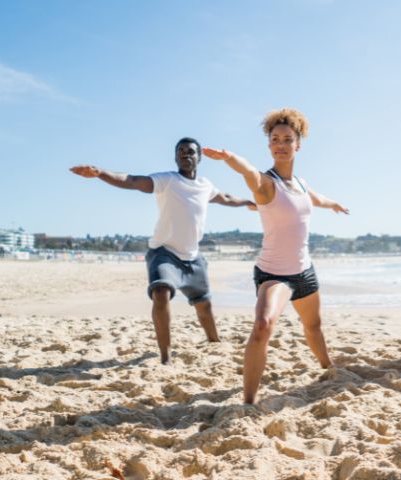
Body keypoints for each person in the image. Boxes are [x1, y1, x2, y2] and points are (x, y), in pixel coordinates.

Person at [202, 108, 349, 405]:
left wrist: (333, 204)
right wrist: (229, 157)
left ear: (298, 145)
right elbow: (247, 171)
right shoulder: (267, 184)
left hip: (304, 270)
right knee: (263, 326)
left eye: (287, 139)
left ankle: (328, 368)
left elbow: (315, 198)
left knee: (314, 327)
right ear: (269, 145)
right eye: (275, 139)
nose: (281, 144)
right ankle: (249, 401)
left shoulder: (302, 184)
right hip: (274, 274)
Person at [69, 137, 256, 365]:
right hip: (164, 253)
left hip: (193, 257)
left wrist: (248, 201)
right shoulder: (167, 180)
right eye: (181, 151)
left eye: (191, 152)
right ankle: (166, 357)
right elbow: (133, 181)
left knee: (204, 305)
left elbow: (226, 197)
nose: (186, 155)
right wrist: (100, 172)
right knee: (161, 292)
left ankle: (214, 341)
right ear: (176, 157)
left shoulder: (205, 186)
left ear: (199, 158)